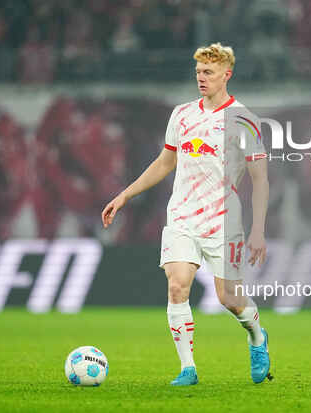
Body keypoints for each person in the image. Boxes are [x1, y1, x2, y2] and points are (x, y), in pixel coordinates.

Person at [101, 43, 272, 386]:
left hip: (225, 222)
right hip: (181, 218)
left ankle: (257, 337)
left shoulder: (245, 121)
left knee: (229, 299)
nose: (201, 78)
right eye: (198, 72)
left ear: (227, 74)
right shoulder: (181, 114)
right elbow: (165, 162)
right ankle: (187, 368)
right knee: (178, 286)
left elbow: (260, 179)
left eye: (208, 72)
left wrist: (258, 231)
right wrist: (125, 195)